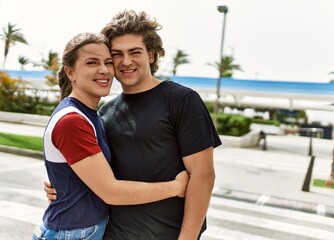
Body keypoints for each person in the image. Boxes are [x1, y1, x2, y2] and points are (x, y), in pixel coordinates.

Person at [46, 9, 221, 239]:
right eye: (117, 54)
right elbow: (100, 175)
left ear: (151, 55)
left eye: (135, 52)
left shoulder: (181, 100)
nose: (126, 61)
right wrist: (63, 183)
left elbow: (203, 176)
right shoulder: (104, 112)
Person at [35, 32, 189, 240]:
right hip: (73, 234)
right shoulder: (73, 121)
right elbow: (111, 191)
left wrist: (63, 184)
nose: (104, 70)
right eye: (92, 62)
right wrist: (176, 187)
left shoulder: (92, 115)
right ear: (70, 72)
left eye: (108, 62)